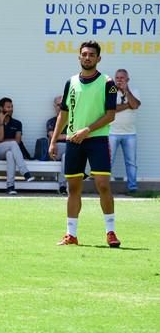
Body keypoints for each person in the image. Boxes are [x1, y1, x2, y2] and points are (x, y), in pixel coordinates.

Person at [49, 40, 120, 248]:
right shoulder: (70, 82)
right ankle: (71, 235)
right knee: (73, 188)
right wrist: (54, 141)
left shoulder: (108, 83)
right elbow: (63, 114)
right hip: (73, 142)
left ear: (99, 58)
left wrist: (87, 130)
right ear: (79, 57)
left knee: (103, 185)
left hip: (97, 140)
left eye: (91, 54)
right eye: (84, 54)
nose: (87, 57)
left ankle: (111, 232)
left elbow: (110, 116)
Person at [0, 97, 35, 195]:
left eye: (12, 107)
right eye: (8, 107)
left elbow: (17, 141)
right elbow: (1, 138)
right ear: (1, 108)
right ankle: (24, 172)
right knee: (12, 144)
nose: (11, 109)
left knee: (10, 153)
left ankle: (10, 186)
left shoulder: (17, 123)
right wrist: (1, 122)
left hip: (10, 150)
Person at [109, 69, 141, 194]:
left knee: (131, 162)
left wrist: (126, 91)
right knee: (108, 162)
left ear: (127, 80)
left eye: (122, 78)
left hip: (130, 134)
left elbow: (136, 105)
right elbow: (112, 109)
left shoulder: (134, 91)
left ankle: (132, 188)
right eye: (117, 77)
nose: (119, 80)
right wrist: (129, 105)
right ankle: (105, 188)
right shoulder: (110, 91)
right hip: (112, 132)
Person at [46, 95, 68, 194]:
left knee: (66, 156)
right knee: (66, 150)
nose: (60, 107)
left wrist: (62, 136)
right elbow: (54, 137)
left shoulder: (73, 121)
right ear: (55, 106)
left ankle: (62, 186)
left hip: (68, 151)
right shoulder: (51, 121)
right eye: (58, 105)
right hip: (55, 150)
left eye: (63, 104)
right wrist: (69, 136)